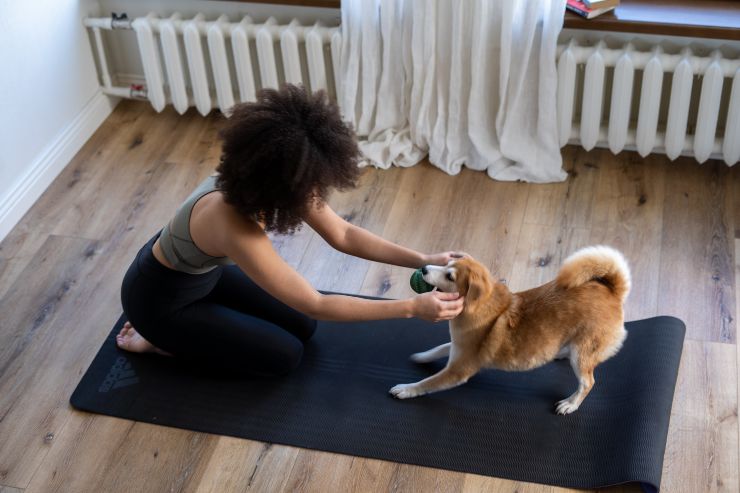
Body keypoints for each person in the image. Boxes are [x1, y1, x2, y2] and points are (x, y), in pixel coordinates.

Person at [117, 84, 465, 377]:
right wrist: (411, 308)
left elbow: (342, 235)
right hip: (159, 300)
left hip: (205, 275)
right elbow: (317, 303)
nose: (316, 193)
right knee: (283, 356)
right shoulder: (231, 222)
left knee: (303, 327)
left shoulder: (279, 179)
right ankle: (159, 341)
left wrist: (423, 258)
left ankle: (189, 329)